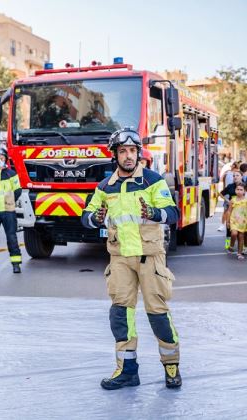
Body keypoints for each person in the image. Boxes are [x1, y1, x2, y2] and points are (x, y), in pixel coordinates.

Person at [81, 128, 181, 390]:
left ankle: (171, 366)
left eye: (133, 151)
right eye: (123, 151)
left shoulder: (152, 180)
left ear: (139, 153)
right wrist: (96, 218)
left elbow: (172, 213)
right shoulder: (105, 187)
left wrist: (155, 212)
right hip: (120, 259)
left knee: (157, 314)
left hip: (150, 258)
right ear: (115, 155)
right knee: (120, 315)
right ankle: (127, 371)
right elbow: (87, 215)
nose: (128, 156)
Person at [219, 171, 243, 249]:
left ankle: (243, 246)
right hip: (231, 208)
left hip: (242, 210)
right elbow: (221, 193)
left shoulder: (244, 186)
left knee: (242, 229)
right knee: (229, 227)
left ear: (241, 177)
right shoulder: (230, 186)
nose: (235, 177)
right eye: (233, 176)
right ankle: (227, 244)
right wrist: (227, 200)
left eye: (237, 175)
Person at [226, 182, 247, 259]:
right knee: (234, 234)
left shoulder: (246, 200)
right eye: (237, 189)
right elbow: (229, 211)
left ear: (244, 191)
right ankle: (231, 245)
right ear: (235, 190)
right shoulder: (233, 200)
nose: (239, 191)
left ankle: (239, 253)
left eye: (241, 190)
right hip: (234, 220)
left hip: (243, 221)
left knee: (241, 236)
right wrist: (227, 221)